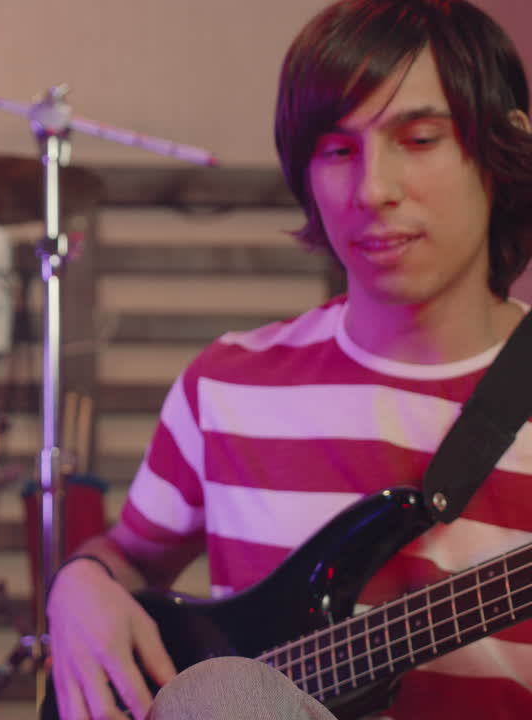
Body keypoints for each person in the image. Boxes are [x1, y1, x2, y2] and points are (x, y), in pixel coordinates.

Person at [46, 1, 532, 718]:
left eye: (420, 139)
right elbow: (129, 554)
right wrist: (79, 584)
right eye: (338, 151)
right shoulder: (226, 384)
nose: (372, 190)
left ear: (502, 149)